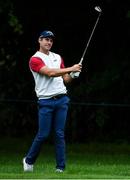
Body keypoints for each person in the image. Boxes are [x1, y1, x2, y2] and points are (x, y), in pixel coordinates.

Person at [23, 30, 82, 173]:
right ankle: (28, 160)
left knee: (59, 134)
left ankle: (60, 168)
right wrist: (71, 68)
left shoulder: (57, 57)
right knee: (43, 134)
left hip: (61, 99)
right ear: (39, 40)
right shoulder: (35, 59)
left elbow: (65, 79)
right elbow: (50, 73)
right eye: (46, 39)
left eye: (51, 40)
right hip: (45, 101)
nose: (49, 42)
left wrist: (74, 74)